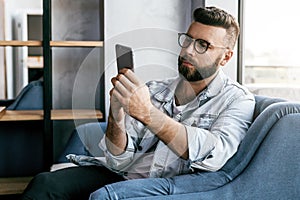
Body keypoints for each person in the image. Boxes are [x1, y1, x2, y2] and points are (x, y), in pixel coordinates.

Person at [21, 6, 255, 200]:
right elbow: (118, 158)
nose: (189, 51)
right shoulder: (155, 89)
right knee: (45, 184)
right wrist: (117, 114)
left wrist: (147, 113)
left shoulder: (237, 100)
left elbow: (214, 154)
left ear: (226, 56)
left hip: (166, 187)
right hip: (123, 174)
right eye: (187, 40)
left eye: (203, 45)